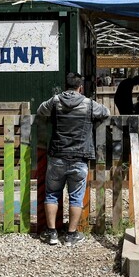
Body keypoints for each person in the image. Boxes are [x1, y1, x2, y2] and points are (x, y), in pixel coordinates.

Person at [37, 72, 110, 245]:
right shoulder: (89, 104)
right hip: (79, 157)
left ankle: (52, 233)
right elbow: (106, 112)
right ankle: (71, 235)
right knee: (76, 197)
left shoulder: (55, 101)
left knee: (52, 194)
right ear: (80, 87)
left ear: (66, 86)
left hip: (57, 156)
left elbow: (41, 111)